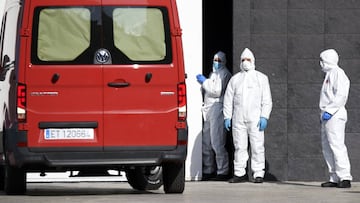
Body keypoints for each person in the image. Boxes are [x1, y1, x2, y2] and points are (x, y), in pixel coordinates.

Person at [223, 48, 272, 183]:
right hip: (238, 118)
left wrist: (264, 116)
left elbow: (266, 100)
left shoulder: (261, 78)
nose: (245, 62)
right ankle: (240, 173)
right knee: (239, 146)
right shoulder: (235, 79)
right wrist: (227, 117)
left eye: (248, 60)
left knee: (257, 146)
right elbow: (228, 99)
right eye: (243, 60)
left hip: (255, 119)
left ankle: (258, 173)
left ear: (253, 61)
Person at [319, 49, 352, 188]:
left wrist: (330, 111)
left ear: (328, 60)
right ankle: (334, 177)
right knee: (327, 147)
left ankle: (344, 177)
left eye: (322, 60)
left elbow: (341, 96)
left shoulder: (338, 73)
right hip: (326, 116)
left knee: (337, 145)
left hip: (334, 115)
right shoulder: (329, 74)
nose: (320, 63)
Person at [196, 51, 232, 181]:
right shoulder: (213, 74)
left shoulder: (225, 74)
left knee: (217, 142)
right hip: (209, 109)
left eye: (219, 60)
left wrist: (204, 82)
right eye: (215, 59)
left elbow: (217, 91)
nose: (216, 62)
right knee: (207, 142)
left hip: (218, 108)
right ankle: (208, 169)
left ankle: (222, 171)